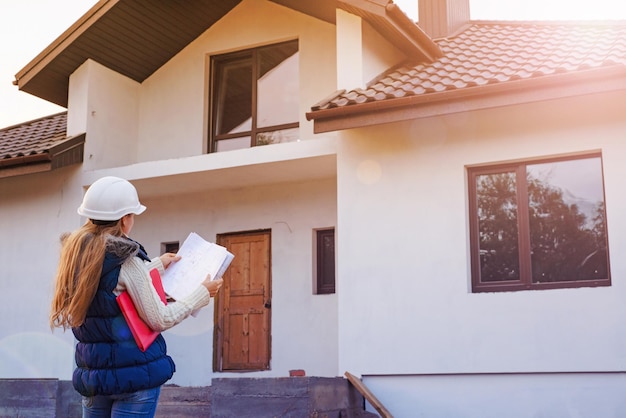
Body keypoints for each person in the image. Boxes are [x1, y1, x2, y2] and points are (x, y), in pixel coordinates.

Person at [50, 176, 223, 417]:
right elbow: (160, 319)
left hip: (94, 378)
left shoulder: (77, 255)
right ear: (124, 219)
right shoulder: (126, 258)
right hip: (134, 378)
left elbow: (109, 284)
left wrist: (155, 266)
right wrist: (202, 294)